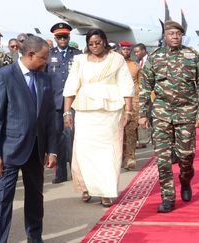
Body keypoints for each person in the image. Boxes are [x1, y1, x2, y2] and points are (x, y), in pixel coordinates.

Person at [0, 36, 57, 243]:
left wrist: (52, 149)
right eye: (43, 58)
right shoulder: (4, 76)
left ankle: (35, 237)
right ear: (30, 55)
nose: (46, 62)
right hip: (8, 151)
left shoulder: (44, 78)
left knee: (35, 198)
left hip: (36, 151)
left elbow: (49, 116)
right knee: (2, 201)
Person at [139, 20, 199, 213]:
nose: (175, 37)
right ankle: (168, 198)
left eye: (178, 34)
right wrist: (143, 113)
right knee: (163, 159)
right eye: (171, 34)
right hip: (161, 113)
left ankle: (185, 181)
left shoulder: (192, 56)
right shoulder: (154, 57)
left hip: (186, 113)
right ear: (165, 36)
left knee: (186, 156)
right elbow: (145, 87)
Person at [63, 28, 134, 207]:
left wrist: (129, 111)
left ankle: (105, 191)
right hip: (85, 112)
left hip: (110, 112)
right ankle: (86, 187)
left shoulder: (116, 59)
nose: (95, 46)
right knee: (83, 151)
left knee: (108, 152)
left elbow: (126, 85)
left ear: (104, 41)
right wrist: (66, 112)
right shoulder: (80, 60)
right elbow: (71, 86)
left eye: (98, 42)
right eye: (91, 44)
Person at [46, 22, 82, 184]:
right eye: (59, 37)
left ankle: (76, 171)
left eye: (65, 36)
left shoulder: (78, 55)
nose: (62, 39)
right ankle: (60, 173)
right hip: (54, 103)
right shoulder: (48, 55)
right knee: (57, 136)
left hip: (74, 102)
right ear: (55, 38)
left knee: (73, 137)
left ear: (69, 37)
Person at [119, 40, 141, 170]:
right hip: (116, 103)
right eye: (124, 49)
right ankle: (119, 157)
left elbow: (140, 85)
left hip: (132, 103)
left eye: (128, 49)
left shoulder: (135, 66)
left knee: (131, 131)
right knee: (118, 132)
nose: (126, 51)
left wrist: (141, 103)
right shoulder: (113, 64)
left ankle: (130, 158)